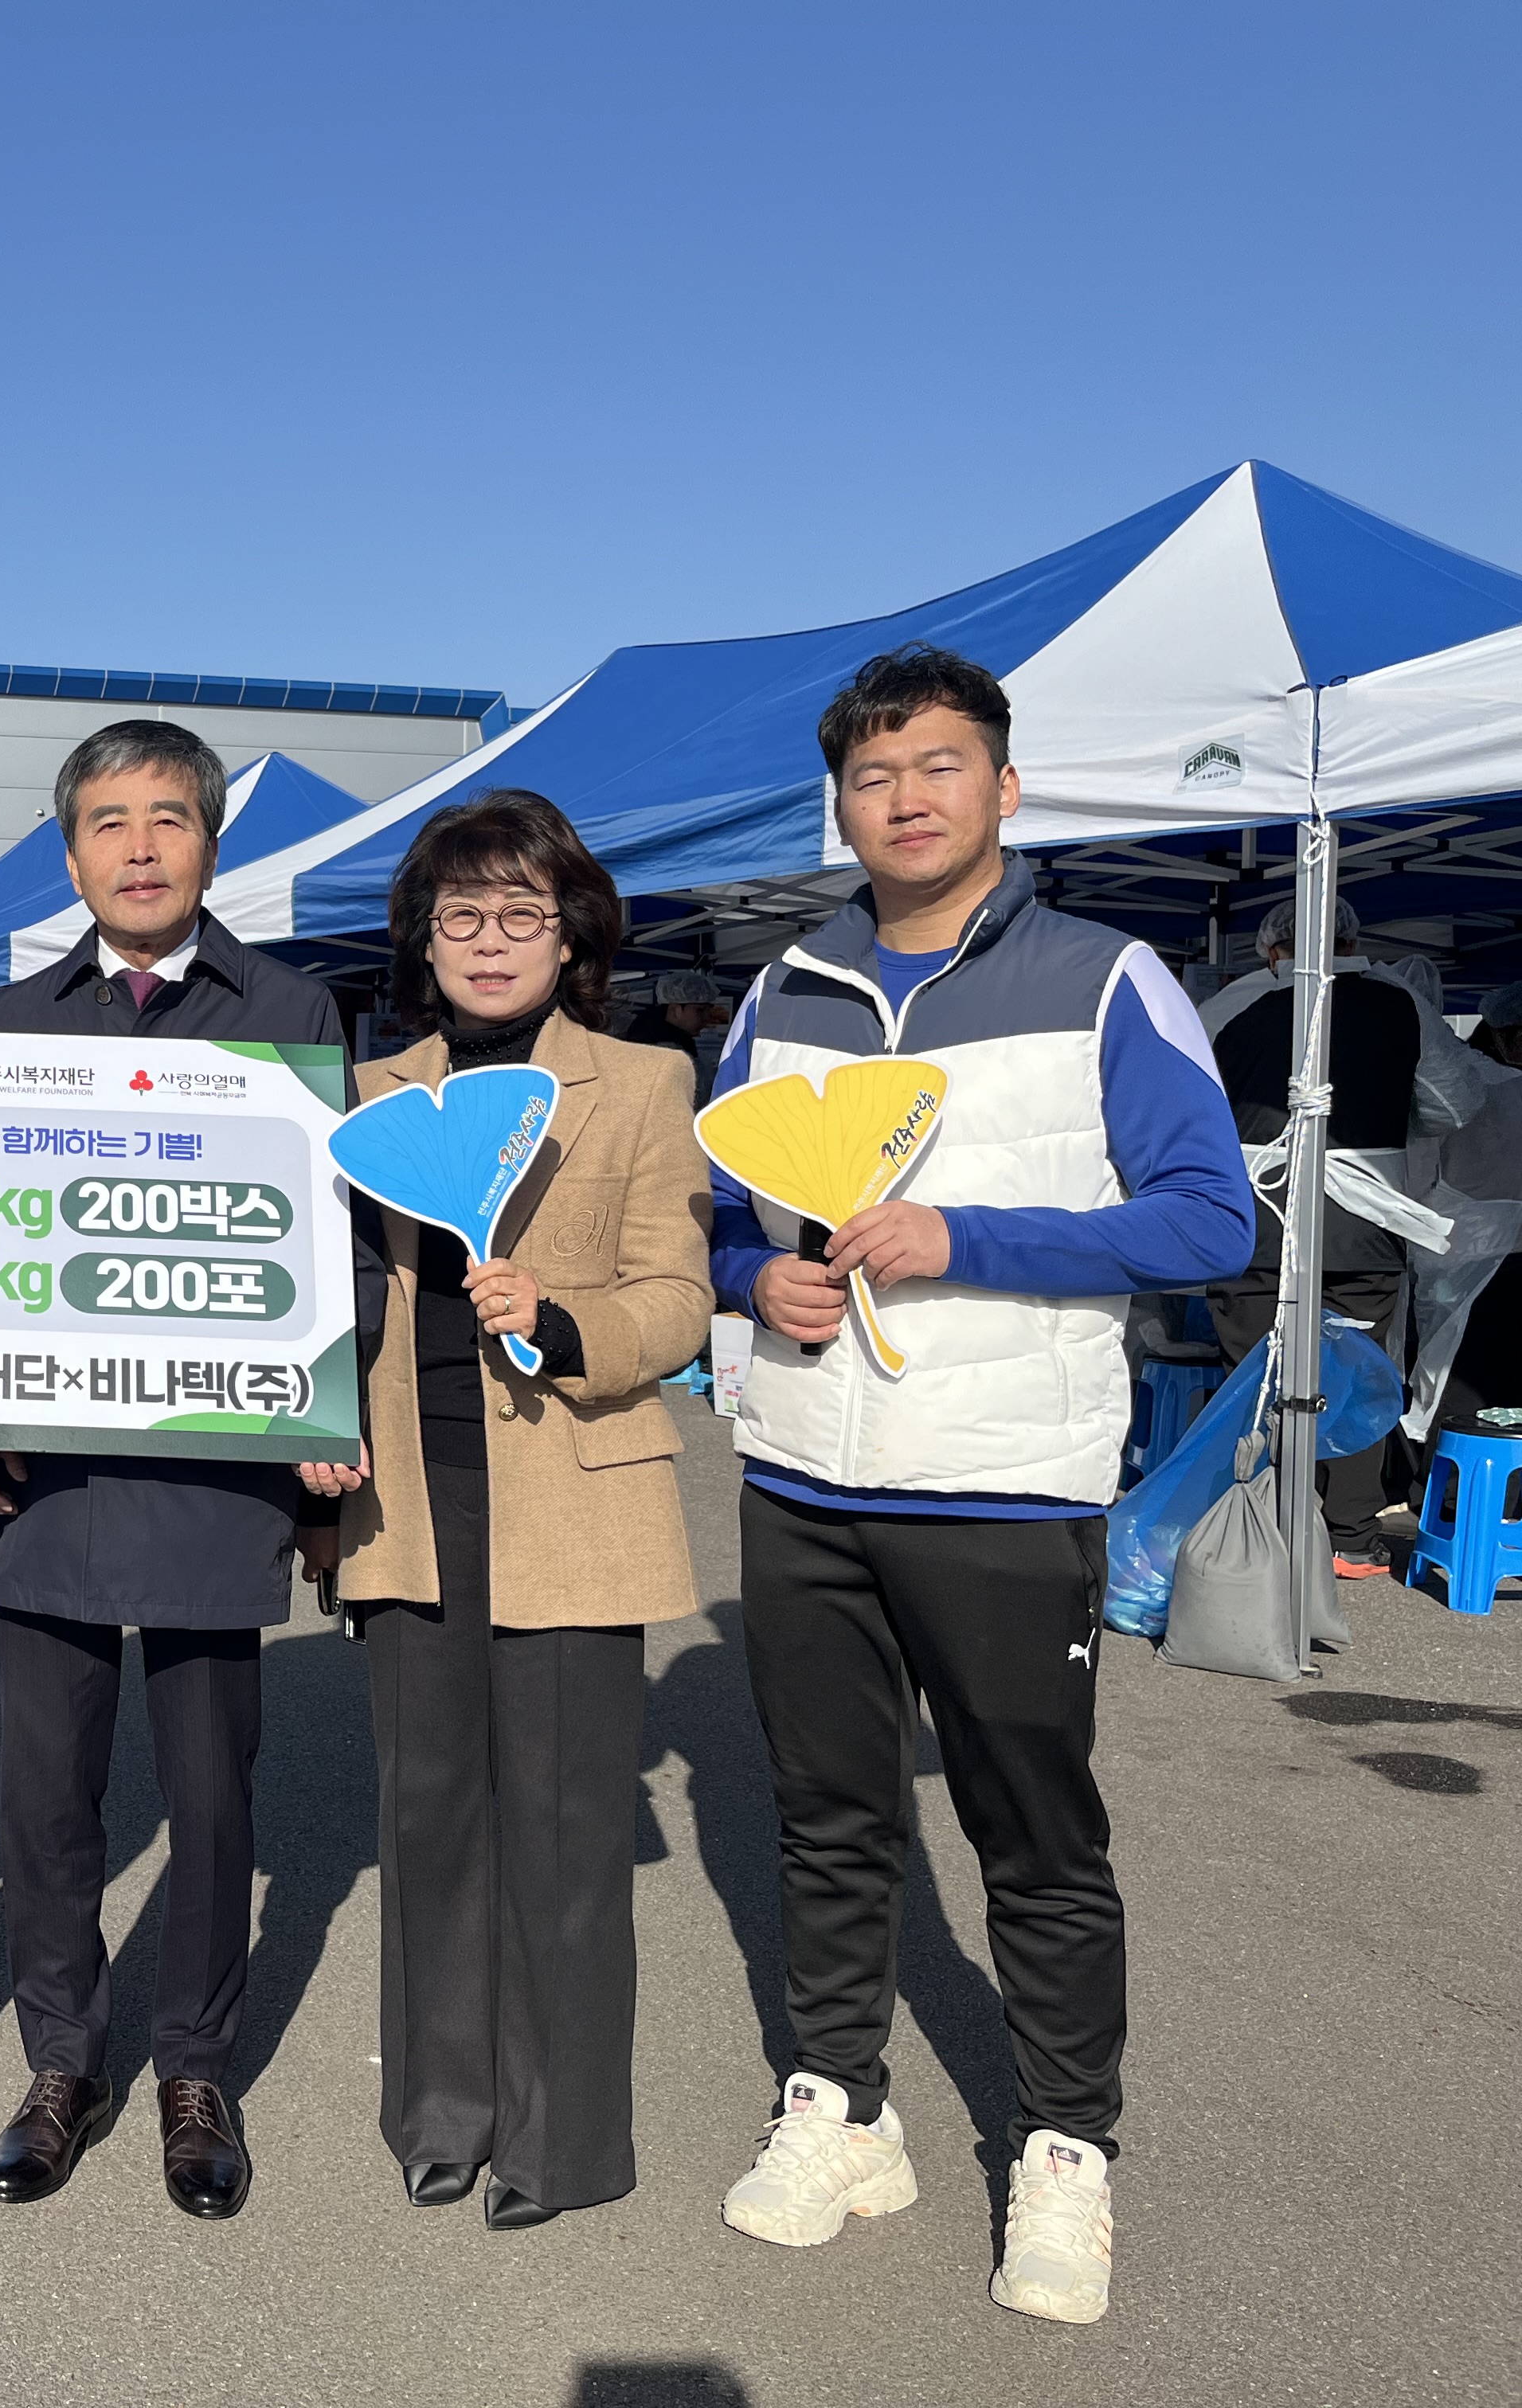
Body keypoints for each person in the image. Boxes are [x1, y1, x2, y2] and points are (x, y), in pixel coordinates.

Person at [706, 645, 1255, 2328]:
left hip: (1007, 1483)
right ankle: (840, 2105)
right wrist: (753, 1278)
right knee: (828, 1815)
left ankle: (1066, 2147)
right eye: (873, 776)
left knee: (1033, 1834)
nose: (906, 798)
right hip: (806, 1472)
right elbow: (721, 1214)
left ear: (1005, 789)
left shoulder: (1106, 980)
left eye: (939, 766)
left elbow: (1210, 1218)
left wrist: (968, 1237)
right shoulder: (784, 986)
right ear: (841, 804)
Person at [0, 720, 352, 2223]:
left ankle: (195, 2068)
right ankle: (61, 2061)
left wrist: (327, 1415)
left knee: (211, 1798)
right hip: (46, 1474)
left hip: (216, 1472)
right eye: (107, 822)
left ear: (212, 842)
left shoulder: (290, 1008)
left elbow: (330, 1233)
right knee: (46, 1800)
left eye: (167, 817)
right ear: (68, 855)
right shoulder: (3, 1023)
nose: (137, 847)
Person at [319, 790, 710, 2231]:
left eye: (521, 914)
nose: (490, 941)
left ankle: (565, 2137)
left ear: (571, 934)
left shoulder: (643, 1081)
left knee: (563, 1832)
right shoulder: (362, 1092)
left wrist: (562, 1314)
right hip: (404, 1496)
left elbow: (679, 1298)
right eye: (461, 914)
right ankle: (440, 2111)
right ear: (423, 939)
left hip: (573, 1491)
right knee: (427, 1817)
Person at [1196, 899, 1456, 1577]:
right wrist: (1385, 1116)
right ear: (1350, 939)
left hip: (1256, 1216)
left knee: (1253, 1376)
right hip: (1365, 1221)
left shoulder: (1234, 1004)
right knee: (1356, 1373)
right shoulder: (1402, 1004)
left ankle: (1261, 1525)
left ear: (1272, 951)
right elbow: (1456, 1102)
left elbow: (1187, 1100)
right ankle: (1350, 1536)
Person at [620, 969, 734, 1104]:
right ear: (675, 1009)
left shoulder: (656, 1037)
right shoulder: (664, 1050)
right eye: (700, 1010)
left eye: (709, 1010)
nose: (707, 1017)